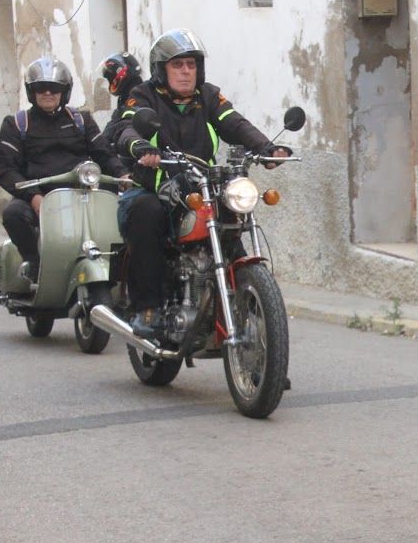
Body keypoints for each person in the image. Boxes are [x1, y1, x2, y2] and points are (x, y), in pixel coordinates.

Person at [111, 28, 289, 335]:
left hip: (199, 185)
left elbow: (234, 122)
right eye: (177, 65)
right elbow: (126, 128)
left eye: (191, 65)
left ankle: (262, 329)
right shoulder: (143, 96)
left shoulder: (208, 96)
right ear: (161, 69)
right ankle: (148, 309)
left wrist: (266, 148)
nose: (185, 72)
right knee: (146, 213)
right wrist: (139, 147)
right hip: (153, 185)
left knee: (230, 217)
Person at [0, 56, 126, 282]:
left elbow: (104, 153)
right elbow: (5, 169)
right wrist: (33, 197)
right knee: (13, 214)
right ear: (31, 91)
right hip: (40, 196)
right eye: (41, 88)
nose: (48, 93)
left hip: (84, 193)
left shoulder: (81, 121)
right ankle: (34, 263)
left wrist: (123, 175)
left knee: (126, 208)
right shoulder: (16, 124)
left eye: (54, 88)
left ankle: (122, 271)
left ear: (64, 91)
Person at [99, 52, 144, 146]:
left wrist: (101, 145)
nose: (110, 81)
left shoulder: (139, 95)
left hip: (144, 153)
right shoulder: (125, 96)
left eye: (110, 77)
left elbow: (118, 124)